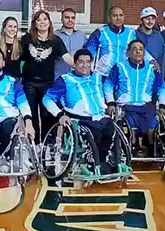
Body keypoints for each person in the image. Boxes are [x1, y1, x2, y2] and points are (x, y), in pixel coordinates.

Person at [43, 48, 119, 176]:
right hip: (80, 120)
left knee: (112, 132)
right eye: (81, 62)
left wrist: (111, 103)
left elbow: (111, 85)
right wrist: (60, 115)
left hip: (101, 117)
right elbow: (47, 99)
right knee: (94, 135)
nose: (85, 65)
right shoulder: (66, 80)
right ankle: (93, 163)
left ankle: (105, 162)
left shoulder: (98, 77)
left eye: (88, 62)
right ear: (75, 63)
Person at [105, 39, 165, 153]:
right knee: (129, 125)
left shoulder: (152, 68)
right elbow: (108, 85)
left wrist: (162, 105)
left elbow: (162, 87)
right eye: (134, 49)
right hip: (126, 106)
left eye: (141, 49)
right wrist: (110, 103)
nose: (138, 52)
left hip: (146, 106)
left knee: (153, 123)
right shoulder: (119, 66)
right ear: (128, 52)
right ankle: (132, 145)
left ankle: (151, 147)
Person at [21, 10, 73, 144]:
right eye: (39, 20)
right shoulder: (27, 39)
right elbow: (18, 57)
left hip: (47, 84)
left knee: (47, 115)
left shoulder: (55, 41)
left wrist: (81, 66)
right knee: (31, 114)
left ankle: (46, 144)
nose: (42, 22)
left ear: (49, 22)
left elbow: (67, 58)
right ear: (34, 24)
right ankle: (33, 144)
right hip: (29, 83)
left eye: (45, 19)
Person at [85, 5, 139, 77]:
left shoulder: (131, 33)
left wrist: (151, 61)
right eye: (115, 15)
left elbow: (140, 51)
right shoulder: (100, 32)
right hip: (103, 75)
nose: (118, 18)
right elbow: (88, 52)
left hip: (124, 75)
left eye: (121, 15)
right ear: (109, 18)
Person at [55, 7, 87, 81]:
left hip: (77, 77)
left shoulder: (81, 35)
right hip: (58, 76)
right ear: (61, 19)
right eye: (67, 17)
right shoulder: (55, 35)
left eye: (73, 18)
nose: (70, 20)